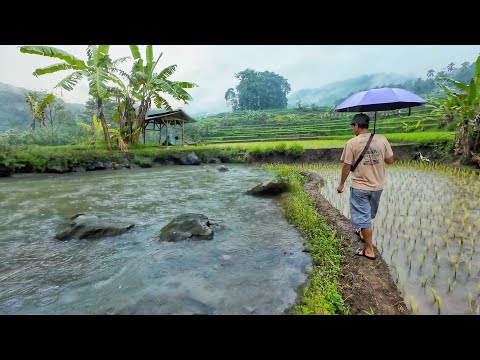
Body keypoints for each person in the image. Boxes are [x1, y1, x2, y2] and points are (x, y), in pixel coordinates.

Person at [336, 113, 395, 260]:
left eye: (352, 126)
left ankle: (369, 250)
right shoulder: (382, 139)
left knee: (363, 218)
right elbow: (390, 161)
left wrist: (341, 184)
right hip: (377, 187)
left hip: (360, 187)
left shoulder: (351, 143)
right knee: (367, 216)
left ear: (356, 125)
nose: (352, 129)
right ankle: (363, 233)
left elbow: (347, 166)